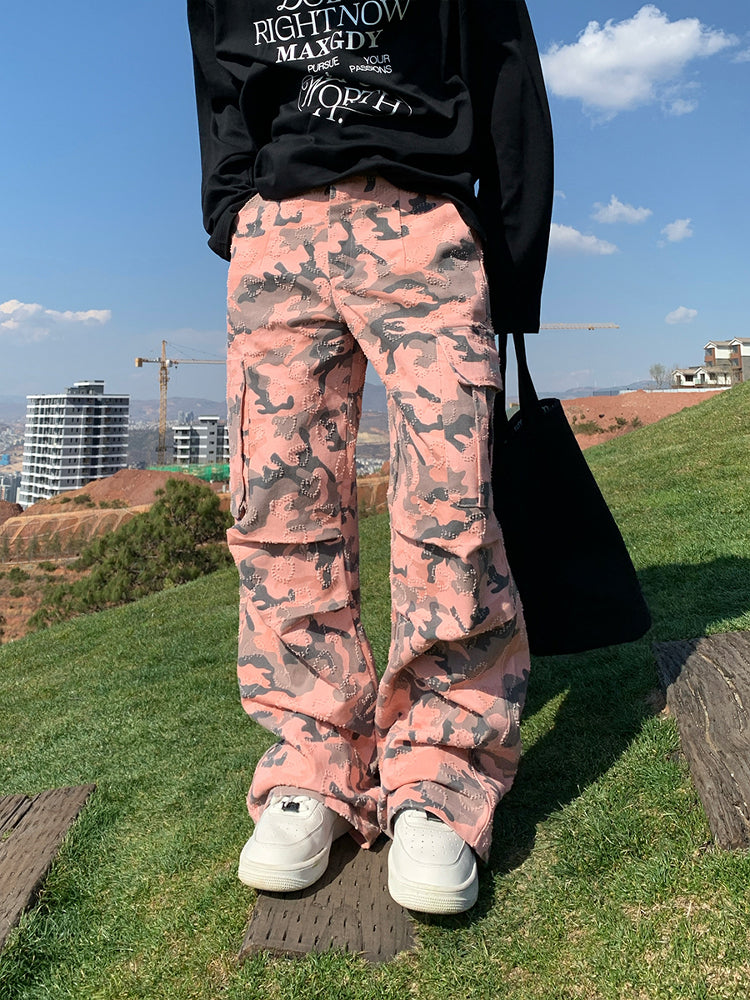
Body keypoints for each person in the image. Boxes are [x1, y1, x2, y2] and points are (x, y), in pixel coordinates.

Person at [187, 0, 553, 914]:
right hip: (278, 230)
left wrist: (508, 261)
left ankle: (441, 772)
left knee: (449, 503)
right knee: (276, 509)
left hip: (421, 212)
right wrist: (235, 212)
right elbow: (219, 88)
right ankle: (312, 758)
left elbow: (507, 70)